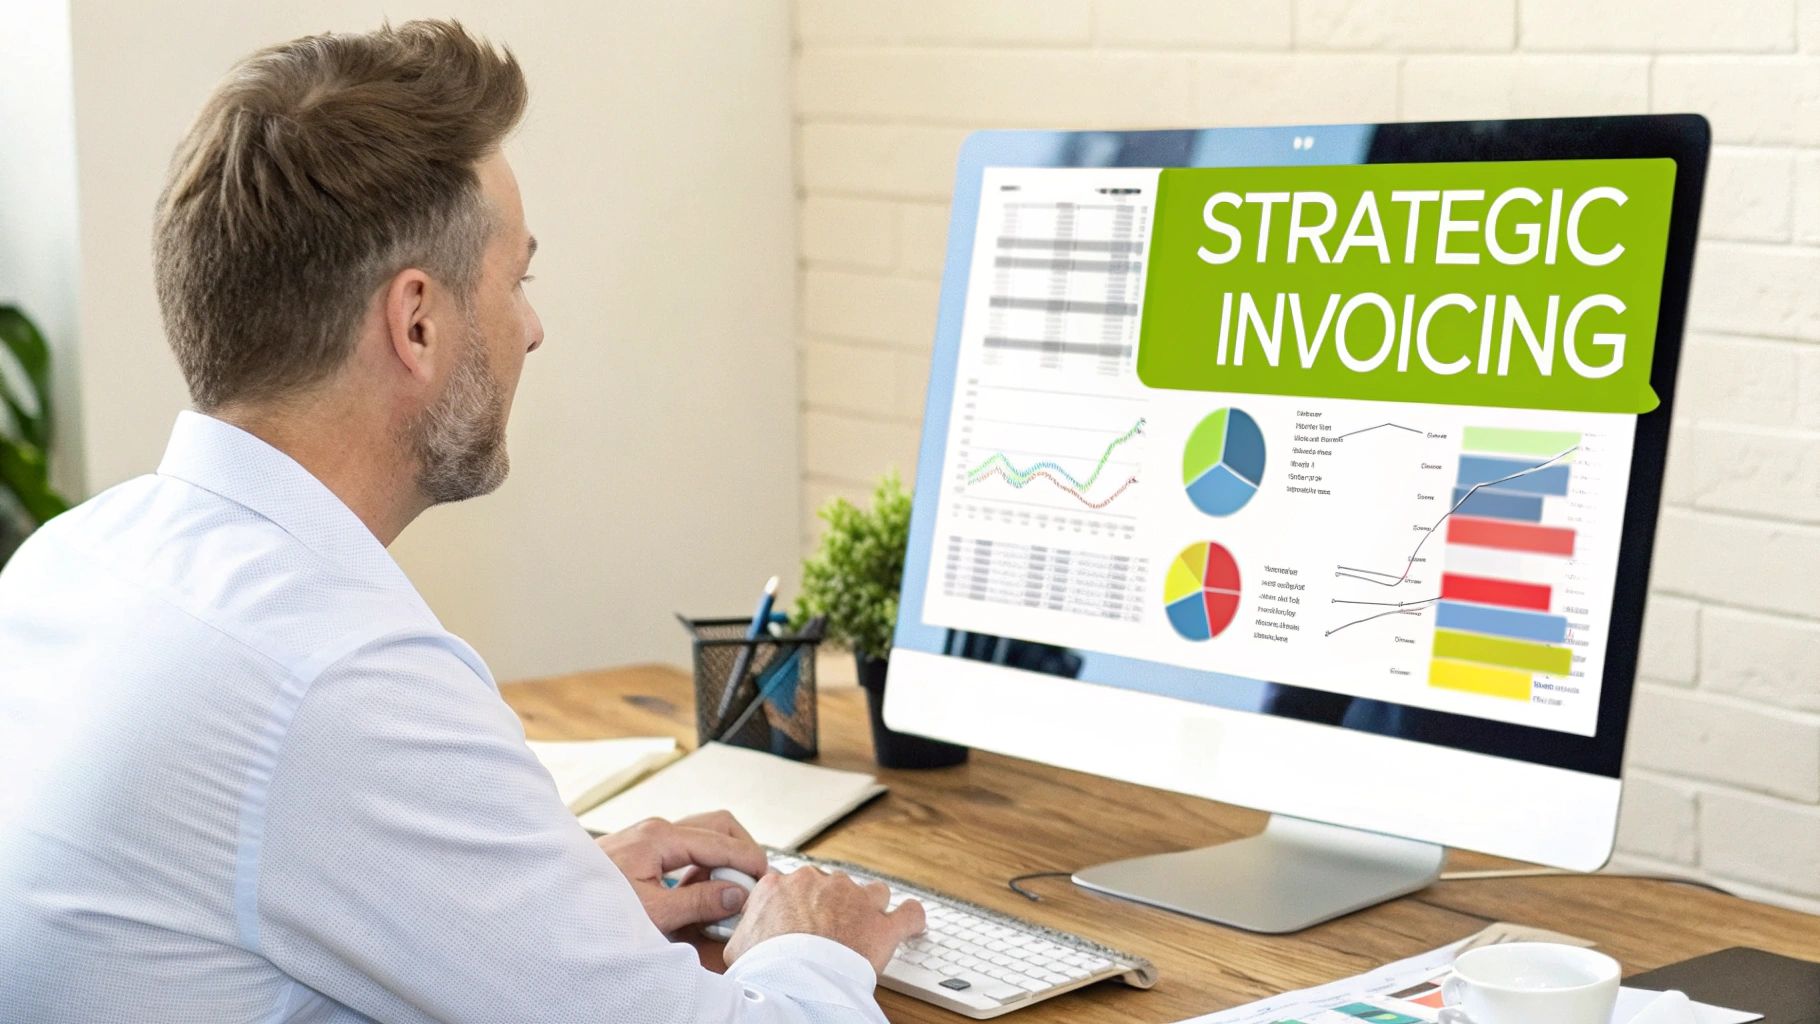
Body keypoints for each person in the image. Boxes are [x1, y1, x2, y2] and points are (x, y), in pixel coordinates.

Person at [0, 20, 922, 1024]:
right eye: (514, 279)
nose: (532, 327)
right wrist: (808, 945)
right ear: (418, 322)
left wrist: (540, 907)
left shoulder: (71, 562)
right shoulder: (338, 676)